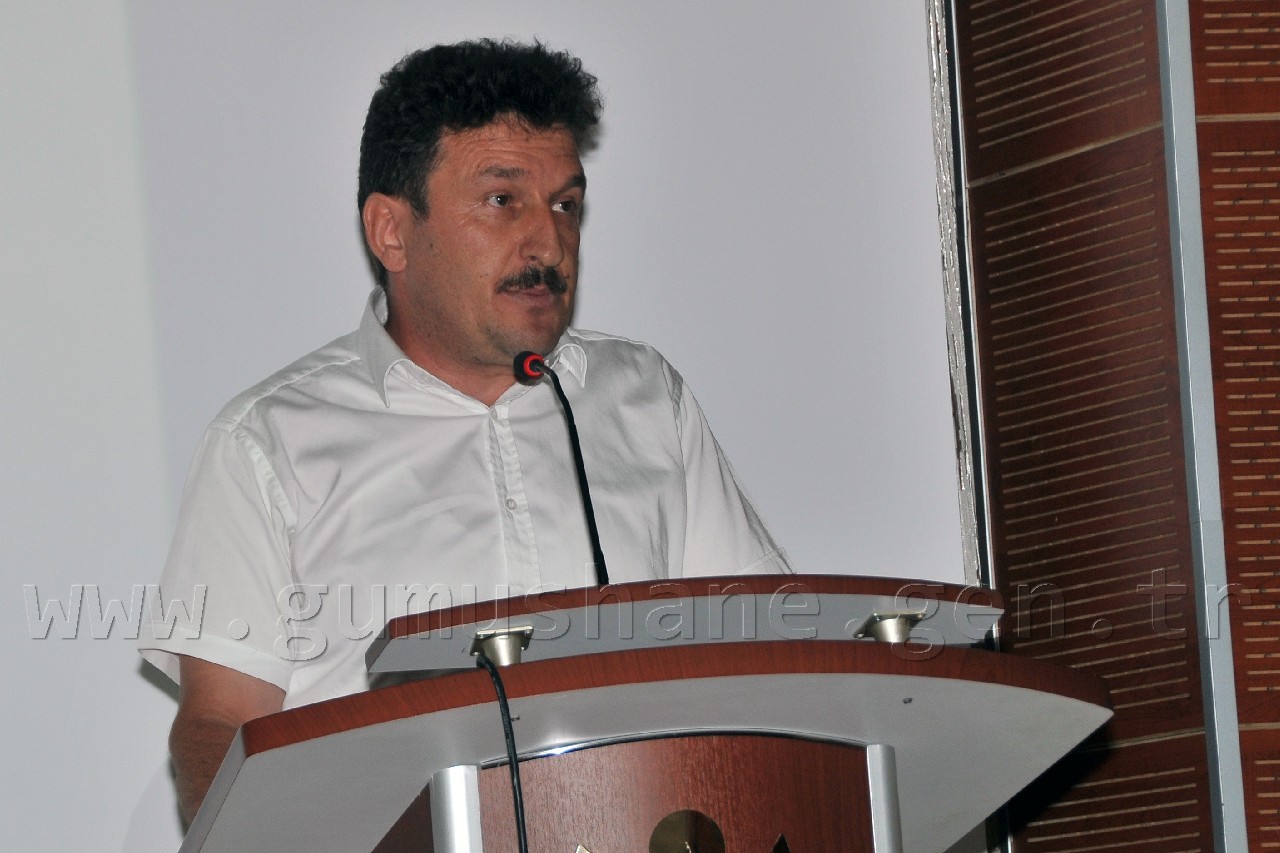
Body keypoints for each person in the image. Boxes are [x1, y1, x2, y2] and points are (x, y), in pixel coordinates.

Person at [138, 39, 791, 824]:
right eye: (502, 200)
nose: (548, 243)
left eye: (565, 204)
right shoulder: (269, 442)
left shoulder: (643, 398)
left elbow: (766, 650)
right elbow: (219, 724)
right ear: (391, 231)